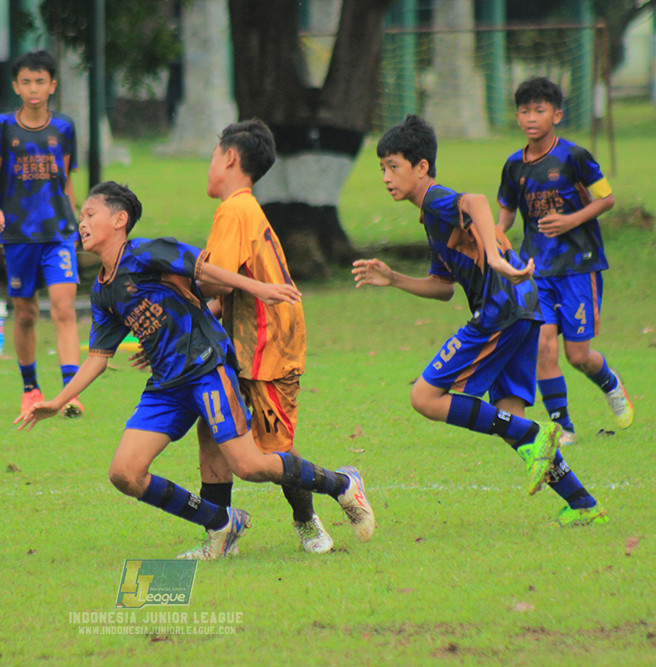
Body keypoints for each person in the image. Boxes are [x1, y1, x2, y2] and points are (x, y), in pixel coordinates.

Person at [16, 181, 376, 559]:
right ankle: (222, 524)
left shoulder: (147, 252)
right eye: (80, 218)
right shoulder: (104, 290)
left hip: (206, 368)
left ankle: (341, 483)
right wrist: (58, 401)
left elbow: (208, 270)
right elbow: (98, 357)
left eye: (89, 214)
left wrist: (259, 288)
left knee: (249, 465)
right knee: (124, 473)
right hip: (165, 386)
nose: (82, 224)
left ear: (119, 219)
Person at [352, 114, 608, 527]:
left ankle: (536, 437)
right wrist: (394, 278)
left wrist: (491, 253)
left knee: (425, 398)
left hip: (500, 311)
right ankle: (583, 503)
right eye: (382, 168)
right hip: (524, 307)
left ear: (421, 167)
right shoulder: (432, 218)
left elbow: (476, 201)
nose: (386, 177)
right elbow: (442, 286)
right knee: (512, 419)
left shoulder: (437, 198)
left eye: (393, 166)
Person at [184, 119, 331, 556]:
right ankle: (220, 532)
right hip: (238, 340)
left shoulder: (236, 209)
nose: (210, 165)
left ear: (230, 157)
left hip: (270, 345)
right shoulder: (237, 209)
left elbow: (216, 285)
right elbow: (227, 288)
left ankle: (314, 512)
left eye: (213, 156)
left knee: (272, 451)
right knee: (212, 428)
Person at [497, 76, 632, 446]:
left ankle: (610, 383)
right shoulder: (513, 166)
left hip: (578, 267)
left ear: (556, 114)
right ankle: (562, 425)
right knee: (542, 346)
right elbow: (506, 211)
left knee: (578, 355)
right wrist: (495, 238)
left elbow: (606, 198)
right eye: (524, 111)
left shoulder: (574, 157)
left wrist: (571, 220)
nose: (531, 118)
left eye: (539, 110)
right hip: (536, 268)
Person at [0, 50, 84, 418]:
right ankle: (30, 388)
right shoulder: (3, 126)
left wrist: (79, 220)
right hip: (19, 235)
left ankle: (70, 392)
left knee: (64, 307)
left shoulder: (64, 128)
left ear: (52, 85)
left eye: (40, 81)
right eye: (26, 82)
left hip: (59, 233)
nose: (33, 89)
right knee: (25, 314)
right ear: (15, 86)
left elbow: (65, 179)